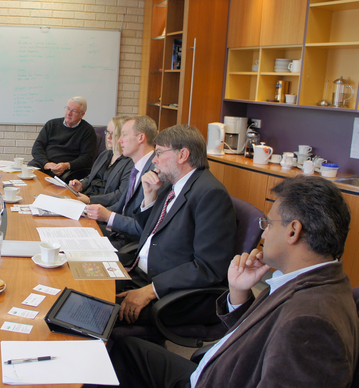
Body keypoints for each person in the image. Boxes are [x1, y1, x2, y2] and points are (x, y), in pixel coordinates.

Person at [107, 175, 359, 388]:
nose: (264, 233)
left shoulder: (312, 323)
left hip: (212, 381)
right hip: (213, 370)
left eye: (268, 224)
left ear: (293, 231)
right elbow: (258, 335)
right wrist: (239, 292)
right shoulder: (309, 279)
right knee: (121, 349)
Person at [113, 124, 236, 330]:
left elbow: (208, 267)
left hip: (170, 293)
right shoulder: (171, 184)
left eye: (159, 153)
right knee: (80, 284)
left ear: (183, 155)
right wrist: (149, 197)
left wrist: (150, 290)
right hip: (139, 273)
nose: (154, 160)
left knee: (96, 310)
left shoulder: (210, 194)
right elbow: (150, 234)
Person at [85, 115, 158, 246]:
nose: (119, 140)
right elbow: (122, 206)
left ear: (141, 138)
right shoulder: (138, 167)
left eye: (124, 135)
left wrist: (108, 216)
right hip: (119, 232)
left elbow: (144, 227)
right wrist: (89, 211)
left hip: (130, 243)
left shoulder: (154, 172)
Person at [28, 96, 97, 182]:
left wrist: (67, 165)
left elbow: (87, 158)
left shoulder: (87, 131)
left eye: (74, 111)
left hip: (66, 170)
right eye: (68, 108)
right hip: (45, 164)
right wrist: (45, 163)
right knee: (27, 172)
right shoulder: (51, 124)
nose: (69, 113)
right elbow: (37, 147)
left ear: (82, 114)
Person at [68, 116, 133, 206]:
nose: (108, 137)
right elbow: (92, 176)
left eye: (113, 134)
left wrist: (90, 200)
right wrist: (81, 186)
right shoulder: (106, 154)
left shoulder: (130, 162)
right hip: (86, 196)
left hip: (100, 205)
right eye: (107, 132)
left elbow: (119, 195)